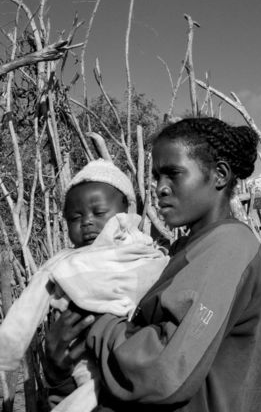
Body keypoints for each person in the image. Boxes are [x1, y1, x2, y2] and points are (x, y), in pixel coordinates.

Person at [44, 117, 261, 411]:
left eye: (173, 174)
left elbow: (163, 370)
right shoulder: (181, 250)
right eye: (156, 177)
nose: (160, 188)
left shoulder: (229, 245)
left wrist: (96, 324)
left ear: (220, 175)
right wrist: (59, 367)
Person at [1, 159, 168, 412]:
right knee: (85, 395)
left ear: (126, 210)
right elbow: (27, 308)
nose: (87, 222)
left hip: (135, 349)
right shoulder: (63, 262)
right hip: (81, 355)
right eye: (75, 217)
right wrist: (7, 351)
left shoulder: (143, 249)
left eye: (99, 213)